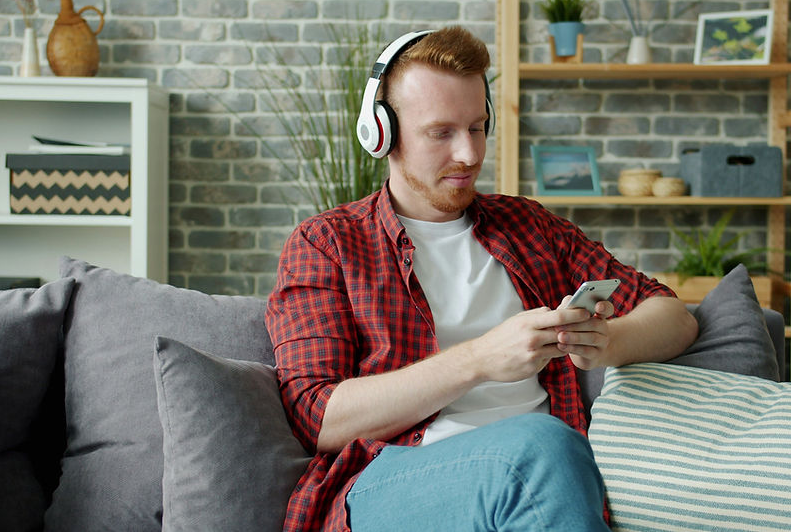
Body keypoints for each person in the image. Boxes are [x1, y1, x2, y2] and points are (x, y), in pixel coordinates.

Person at [265, 26, 698, 532]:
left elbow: (673, 315)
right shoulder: (328, 244)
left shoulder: (530, 227)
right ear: (381, 132)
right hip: (395, 481)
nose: (469, 154)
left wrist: (609, 340)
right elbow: (318, 417)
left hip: (544, 479)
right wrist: (479, 359)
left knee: (542, 451)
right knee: (541, 446)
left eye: (477, 127)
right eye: (442, 132)